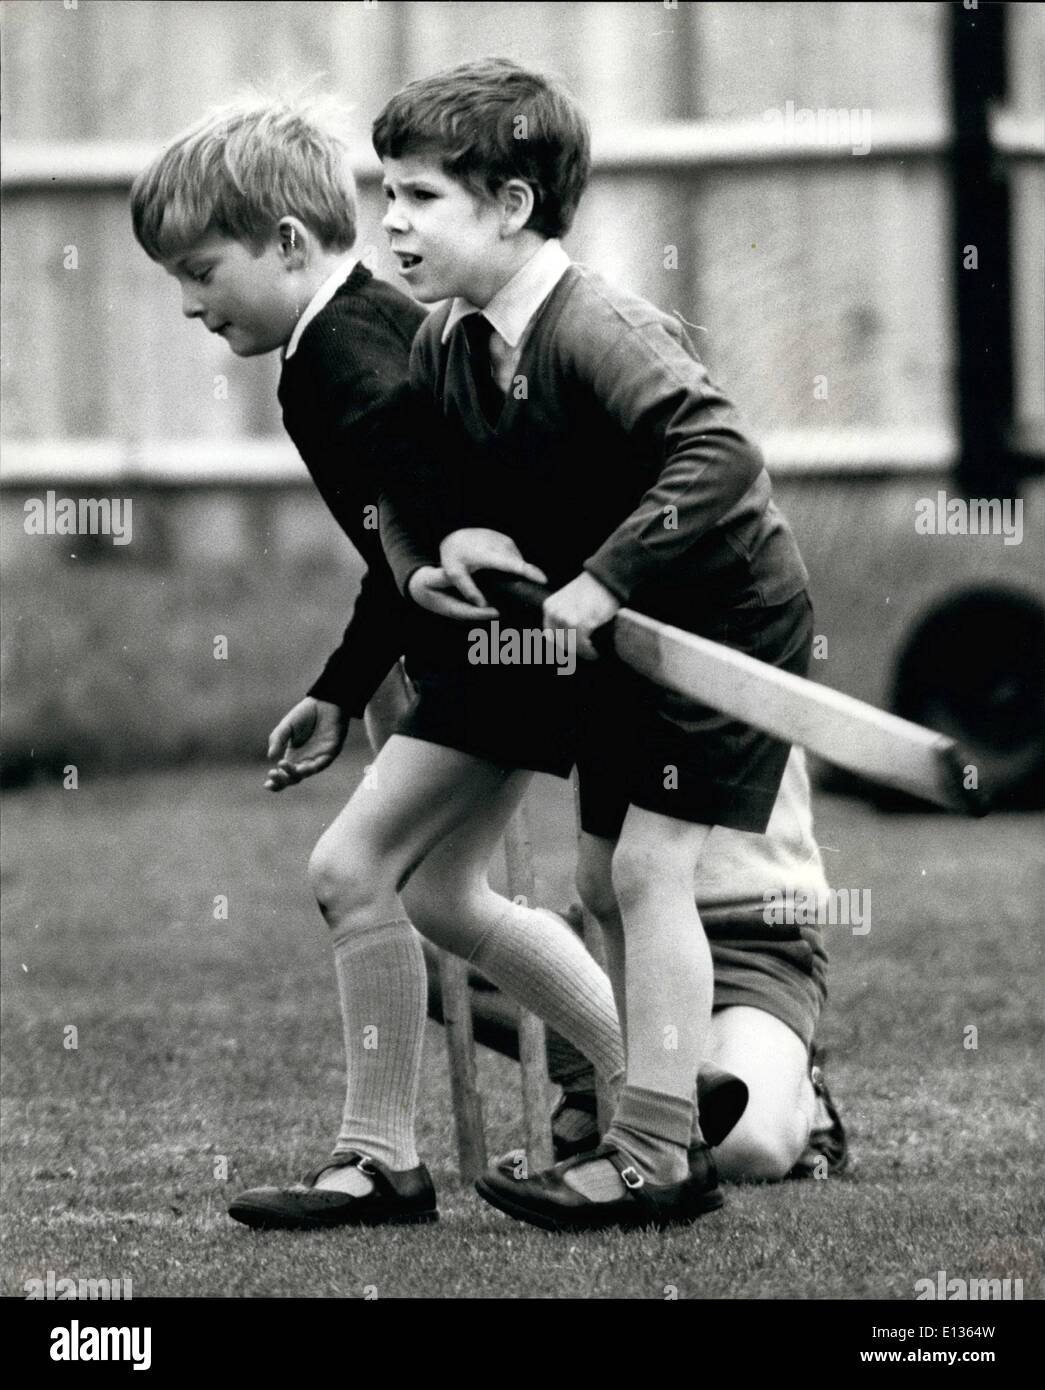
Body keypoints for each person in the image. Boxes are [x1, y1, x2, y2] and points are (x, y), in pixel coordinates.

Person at [128, 94, 653, 1232]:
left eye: (202, 270)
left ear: (284, 243)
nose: (188, 303)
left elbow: (456, 512)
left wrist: (458, 619)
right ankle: (657, 1090)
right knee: (440, 892)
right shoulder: (344, 339)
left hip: (502, 657)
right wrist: (338, 686)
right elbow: (398, 544)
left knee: (347, 870)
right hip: (507, 654)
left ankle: (380, 1162)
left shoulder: (343, 356)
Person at [368, 55, 818, 1232]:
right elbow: (405, 478)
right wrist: (430, 557)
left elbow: (718, 456)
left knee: (644, 870)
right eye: (386, 193)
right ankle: (638, 1115)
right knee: (592, 880)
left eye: (420, 196)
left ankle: (658, 1156)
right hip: (627, 634)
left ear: (512, 205)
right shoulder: (450, 342)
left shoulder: (597, 325)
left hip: (721, 624)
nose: (392, 222)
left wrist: (600, 583)